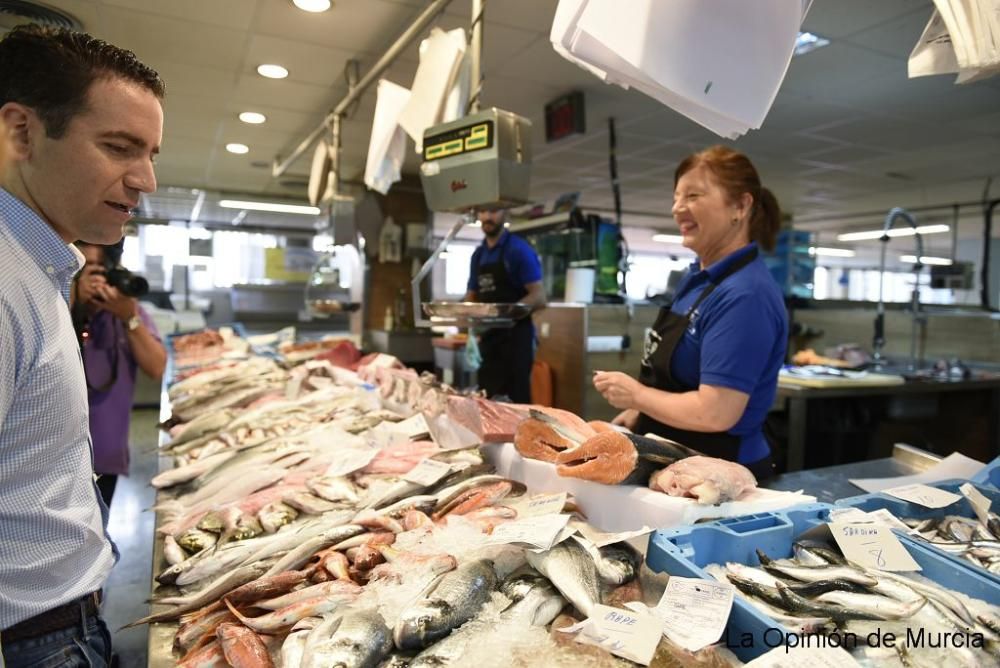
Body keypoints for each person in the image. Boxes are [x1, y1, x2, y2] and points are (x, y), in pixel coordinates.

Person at [0, 24, 163, 667]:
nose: (146, 178)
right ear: (21, 133)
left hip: (63, 625)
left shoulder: (39, 267)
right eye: (120, 147)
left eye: (151, 152)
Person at [594, 146, 788, 479]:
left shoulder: (745, 295)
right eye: (676, 197)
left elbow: (716, 412)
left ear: (740, 206)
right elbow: (682, 378)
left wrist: (638, 395)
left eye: (693, 195)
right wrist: (638, 411)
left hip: (723, 472)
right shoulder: (698, 278)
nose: (677, 208)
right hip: (678, 456)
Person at [71, 241, 167, 507]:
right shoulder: (59, 310)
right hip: (58, 459)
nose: (97, 279)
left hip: (106, 454)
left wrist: (129, 318)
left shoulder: (127, 314)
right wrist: (74, 302)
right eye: (87, 269)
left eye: (102, 270)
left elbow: (156, 367)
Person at [463, 206, 546, 403]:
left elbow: (539, 297)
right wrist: (467, 321)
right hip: (489, 339)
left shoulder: (518, 250)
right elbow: (471, 296)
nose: (487, 216)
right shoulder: (478, 255)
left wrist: (506, 312)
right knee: (486, 400)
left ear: (505, 214)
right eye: (483, 211)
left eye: (493, 210)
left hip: (516, 339)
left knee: (515, 402)